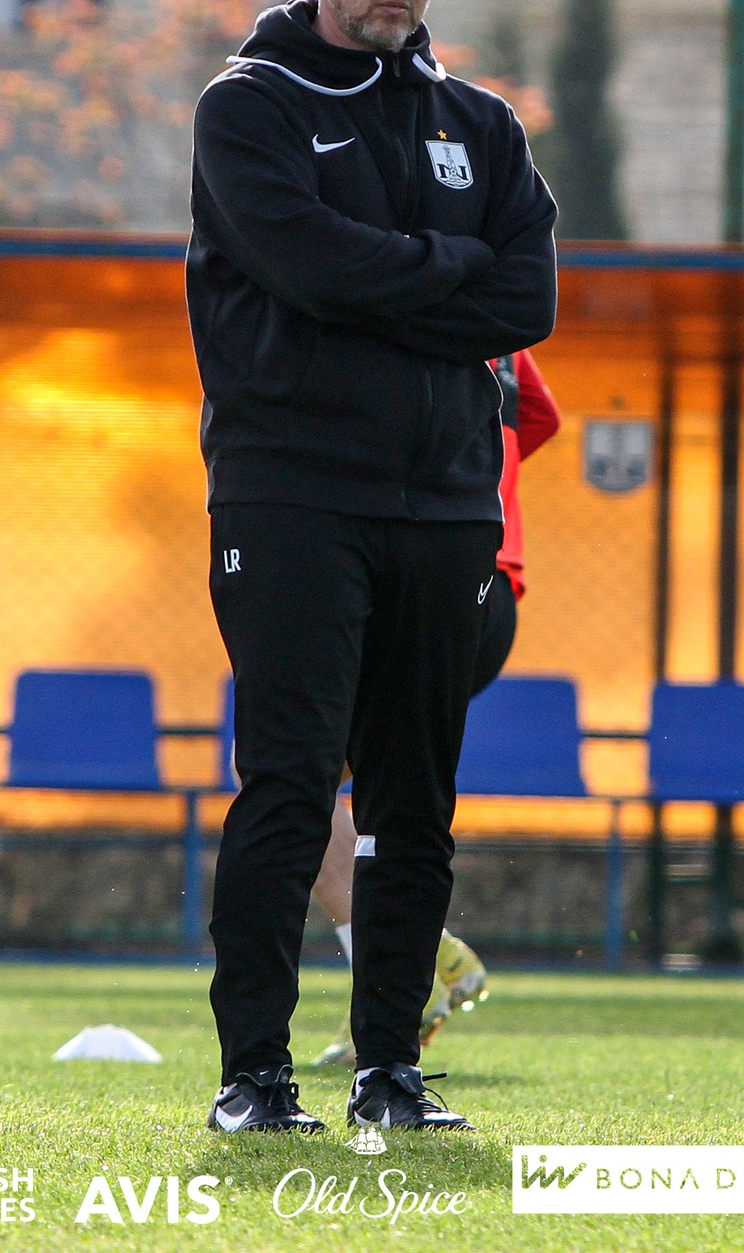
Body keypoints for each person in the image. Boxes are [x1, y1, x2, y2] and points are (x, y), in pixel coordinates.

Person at [188, 0, 558, 1134]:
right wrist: (443, 277)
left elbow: (529, 299)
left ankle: (389, 1073)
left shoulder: (481, 124)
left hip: (447, 499)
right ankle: (254, 1077)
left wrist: (396, 277)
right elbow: (304, 265)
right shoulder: (250, 106)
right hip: (289, 492)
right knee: (289, 784)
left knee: (414, 802)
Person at [309, 347, 562, 1068]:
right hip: (495, 580)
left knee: (295, 776)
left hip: (438, 570)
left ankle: (411, 968)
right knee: (354, 778)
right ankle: (409, 968)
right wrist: (491, 477)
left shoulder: (404, 300)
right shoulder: (500, 319)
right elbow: (540, 417)